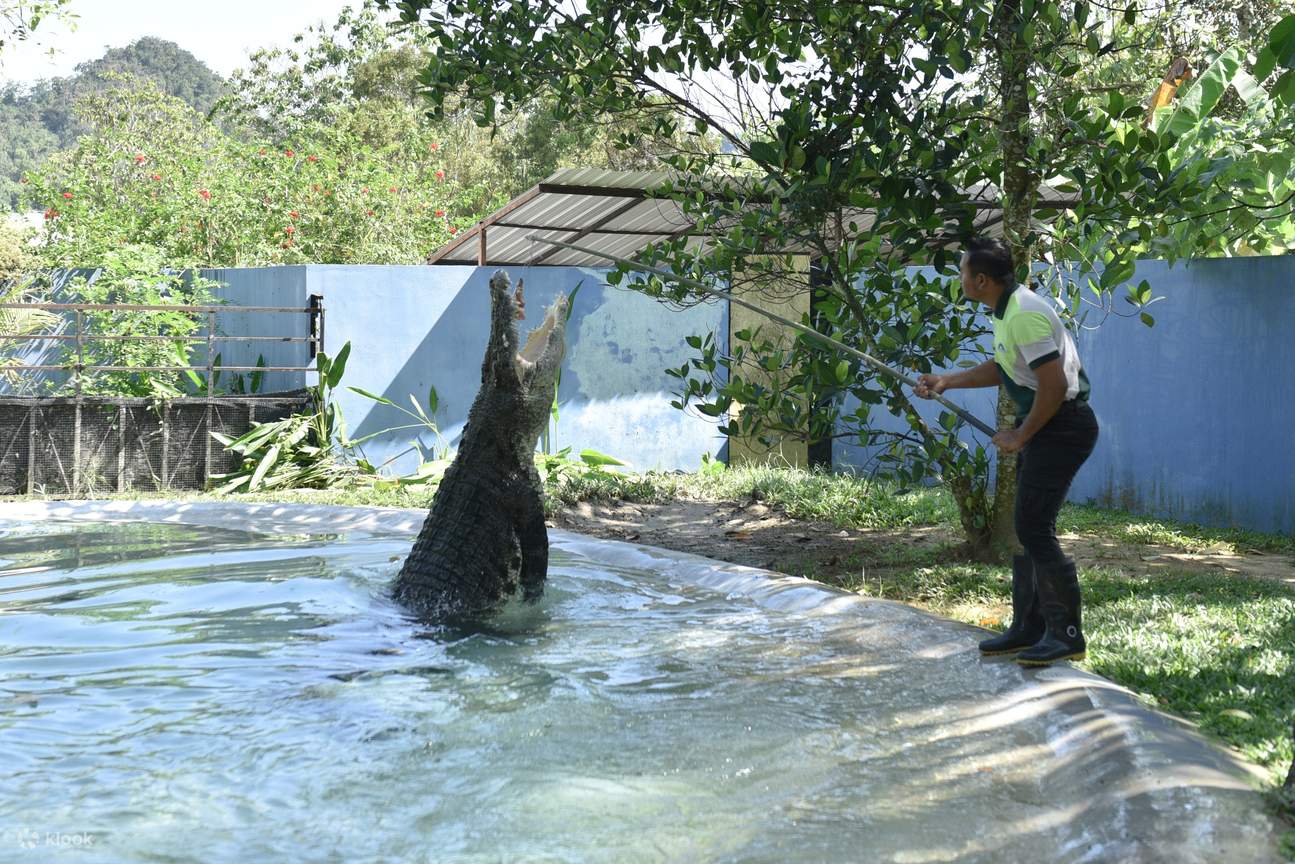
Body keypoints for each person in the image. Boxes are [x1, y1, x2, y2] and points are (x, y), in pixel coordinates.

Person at [915, 237, 1099, 666]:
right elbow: (1005, 368)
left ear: (981, 280)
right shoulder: (1007, 310)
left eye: (963, 272)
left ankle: (1066, 634)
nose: (960, 278)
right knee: (1027, 523)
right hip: (1050, 424)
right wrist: (947, 380)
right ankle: (1029, 629)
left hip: (1063, 427)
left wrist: (1020, 435)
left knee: (1034, 525)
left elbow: (1053, 387)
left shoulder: (1024, 316)